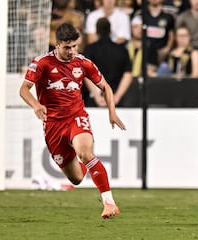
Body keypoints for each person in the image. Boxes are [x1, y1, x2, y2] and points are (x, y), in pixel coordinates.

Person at [19, 23, 126, 219]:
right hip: (52, 124)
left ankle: (109, 203)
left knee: (85, 153)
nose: (72, 51)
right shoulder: (42, 63)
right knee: (76, 178)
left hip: (76, 116)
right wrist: (36, 105)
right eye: (67, 47)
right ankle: (84, 160)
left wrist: (112, 112)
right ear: (57, 44)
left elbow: (106, 88)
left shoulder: (83, 63)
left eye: (75, 46)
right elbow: (24, 89)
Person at [82, 17, 132, 107]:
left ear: (96, 31)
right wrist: (116, 97)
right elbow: (127, 75)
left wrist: (97, 96)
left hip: (94, 101)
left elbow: (87, 75)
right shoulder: (122, 50)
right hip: (116, 100)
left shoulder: (90, 49)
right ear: (110, 31)